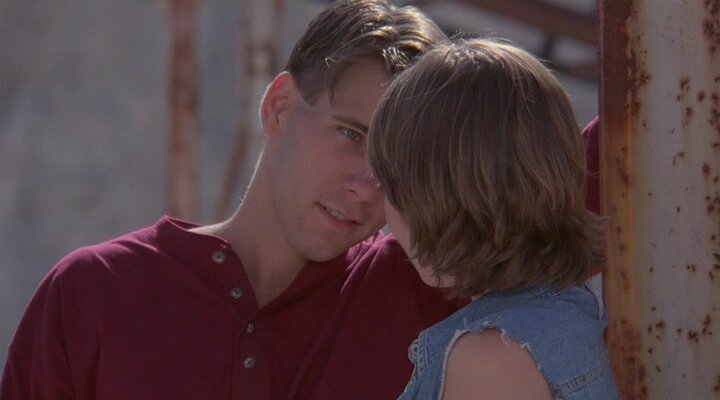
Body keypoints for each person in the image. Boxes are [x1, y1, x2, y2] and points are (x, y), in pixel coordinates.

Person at [1, 1, 457, 399]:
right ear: (279, 107)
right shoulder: (94, 292)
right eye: (351, 135)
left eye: (399, 165)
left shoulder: (432, 299)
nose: (367, 186)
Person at [368, 38, 619, 399]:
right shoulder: (561, 313)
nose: (387, 212)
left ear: (436, 199)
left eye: (390, 186)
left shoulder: (492, 360)